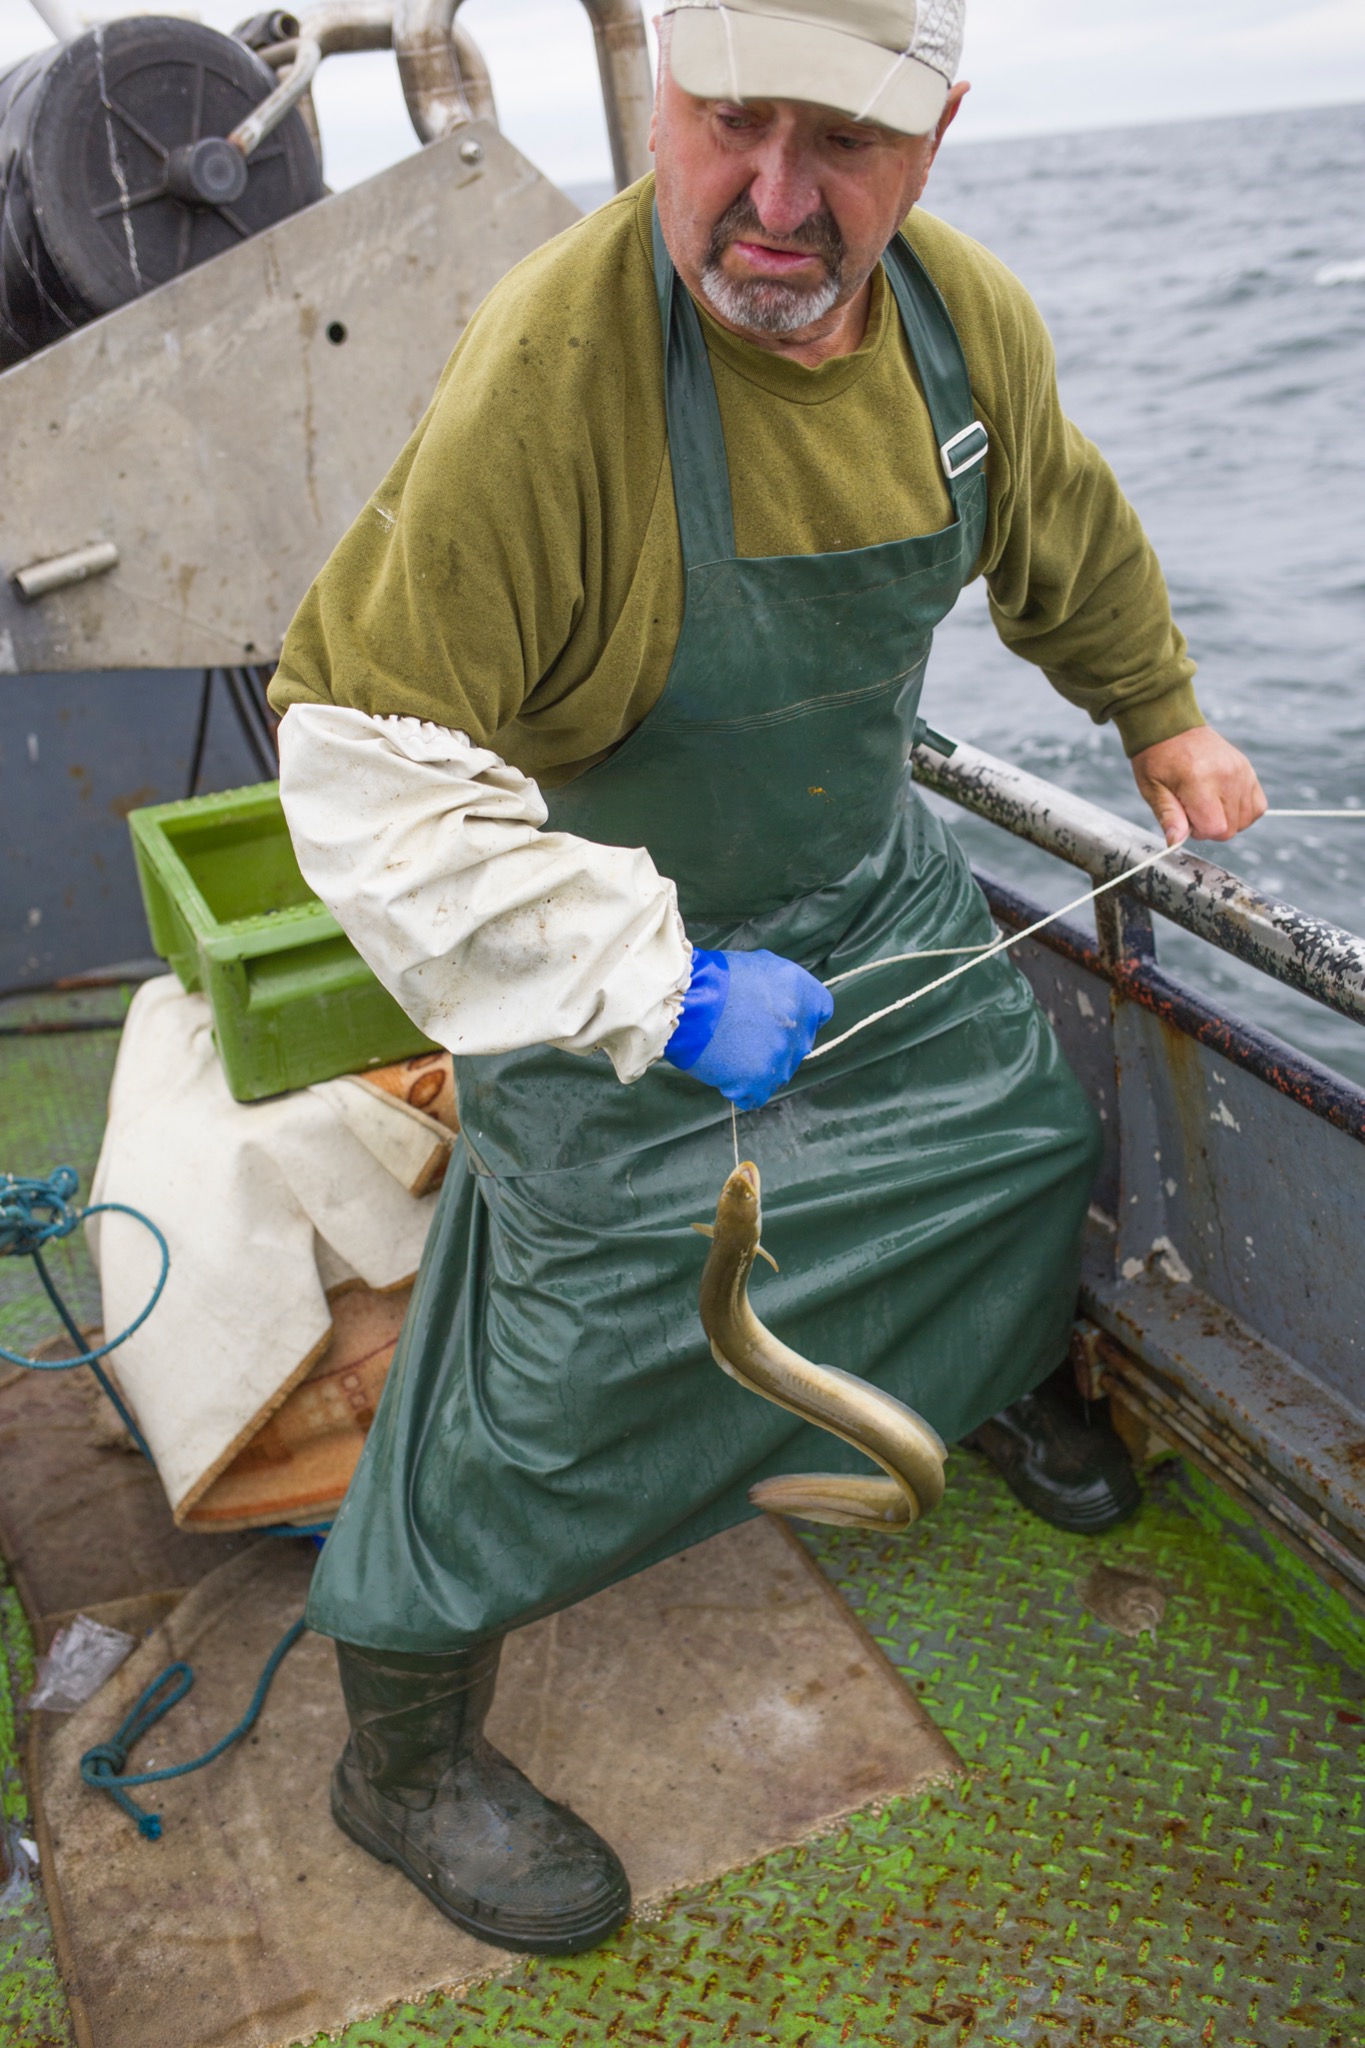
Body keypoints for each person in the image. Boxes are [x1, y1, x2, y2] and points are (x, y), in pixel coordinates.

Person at [269, 0, 1265, 1958]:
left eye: (847, 143)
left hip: (866, 887)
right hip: (602, 936)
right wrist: (646, 976)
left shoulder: (959, 332)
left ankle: (936, 1395)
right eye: (731, 124)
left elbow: (1054, 530)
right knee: (545, 1392)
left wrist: (1158, 719)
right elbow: (359, 761)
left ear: (939, 135)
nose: (778, 201)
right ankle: (393, 1742)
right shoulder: (555, 381)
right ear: (658, 90)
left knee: (1009, 1140)